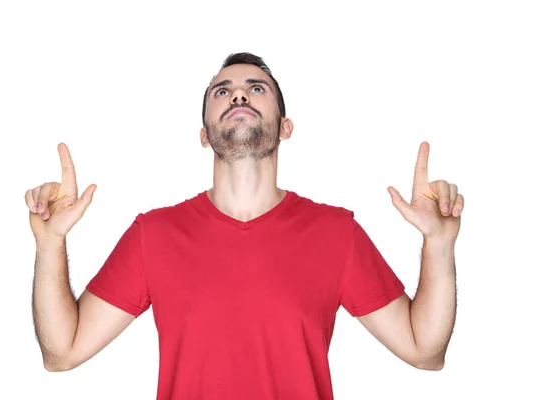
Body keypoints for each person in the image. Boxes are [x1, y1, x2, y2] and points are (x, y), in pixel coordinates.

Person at [27, 52, 464, 399]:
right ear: (204, 134)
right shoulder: (154, 235)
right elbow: (62, 353)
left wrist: (439, 244)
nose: (239, 96)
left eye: (256, 88)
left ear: (285, 127)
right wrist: (50, 242)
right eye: (223, 91)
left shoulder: (336, 233)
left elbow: (424, 352)